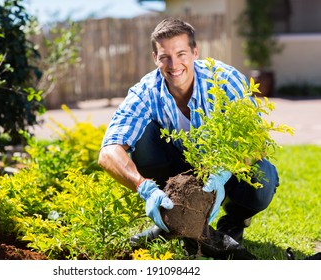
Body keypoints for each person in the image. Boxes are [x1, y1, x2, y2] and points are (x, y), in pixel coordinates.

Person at [98, 18, 279, 251]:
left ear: (195, 52)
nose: (174, 65)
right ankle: (172, 219)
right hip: (177, 172)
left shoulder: (224, 80)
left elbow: (255, 141)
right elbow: (108, 151)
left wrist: (223, 173)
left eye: (181, 54)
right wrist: (144, 187)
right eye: (165, 57)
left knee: (262, 179)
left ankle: (233, 220)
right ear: (155, 58)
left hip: (224, 167)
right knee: (141, 139)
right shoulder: (145, 92)